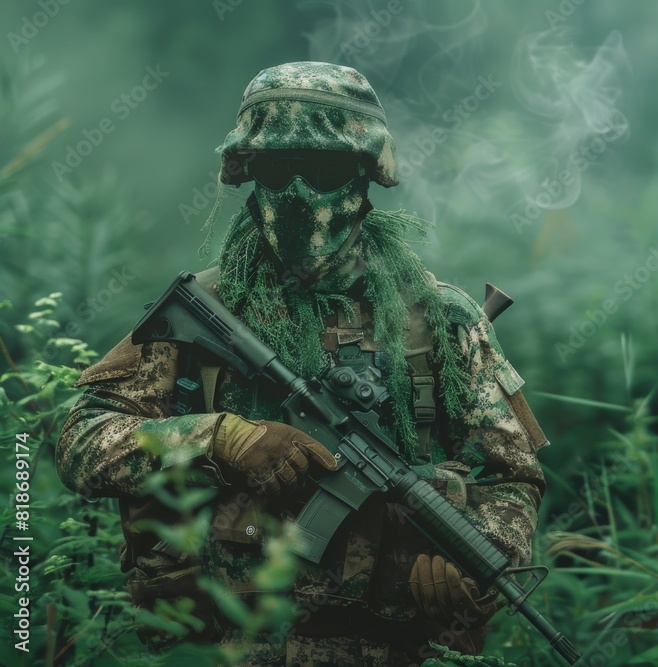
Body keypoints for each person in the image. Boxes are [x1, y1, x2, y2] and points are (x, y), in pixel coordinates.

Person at [56, 61, 549, 666]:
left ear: (367, 175)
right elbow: (81, 441)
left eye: (322, 170)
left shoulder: (442, 321)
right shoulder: (206, 316)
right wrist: (218, 438)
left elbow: (511, 477)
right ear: (246, 172)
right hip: (224, 644)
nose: (296, 194)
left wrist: (482, 560)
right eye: (276, 170)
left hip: (397, 646)